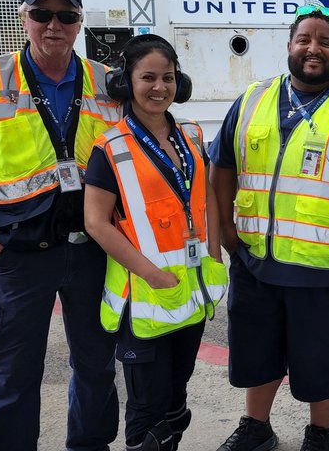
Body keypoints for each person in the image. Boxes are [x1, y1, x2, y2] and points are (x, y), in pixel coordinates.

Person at [0, 0, 122, 450]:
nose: (53, 25)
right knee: (13, 373)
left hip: (92, 252)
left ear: (80, 23)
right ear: (23, 18)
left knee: (97, 365)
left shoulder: (107, 84)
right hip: (19, 254)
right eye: (42, 13)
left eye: (66, 15)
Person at [211, 5, 329, 451]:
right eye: (305, 39)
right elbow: (221, 165)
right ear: (289, 46)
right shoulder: (253, 99)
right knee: (257, 353)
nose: (313, 48)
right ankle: (256, 426)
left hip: (326, 268)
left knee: (324, 359)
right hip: (257, 260)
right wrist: (223, 225)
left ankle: (321, 434)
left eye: (325, 41)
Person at [82, 34, 228, 451]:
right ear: (127, 82)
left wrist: (214, 256)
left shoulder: (192, 137)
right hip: (146, 298)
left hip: (190, 293)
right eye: (148, 77)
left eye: (167, 78)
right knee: (147, 414)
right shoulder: (111, 148)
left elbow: (207, 202)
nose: (159, 87)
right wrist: (152, 274)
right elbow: (96, 223)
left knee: (176, 401)